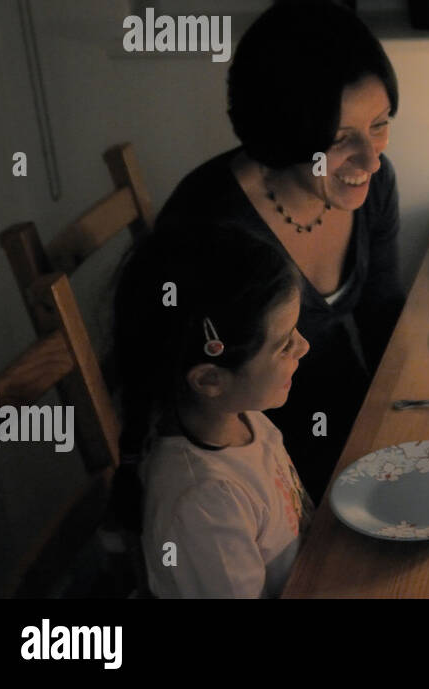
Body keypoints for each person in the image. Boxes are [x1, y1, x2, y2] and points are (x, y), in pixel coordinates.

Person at [157, 1, 406, 502]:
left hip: (357, 426)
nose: (371, 159)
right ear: (284, 132)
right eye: (340, 139)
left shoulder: (372, 186)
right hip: (266, 471)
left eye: (379, 123)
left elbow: (382, 314)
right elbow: (192, 403)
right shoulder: (212, 224)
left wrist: (408, 414)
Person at [111, 224, 313, 598]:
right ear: (209, 380)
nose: (304, 346)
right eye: (284, 345)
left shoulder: (241, 417)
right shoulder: (204, 504)